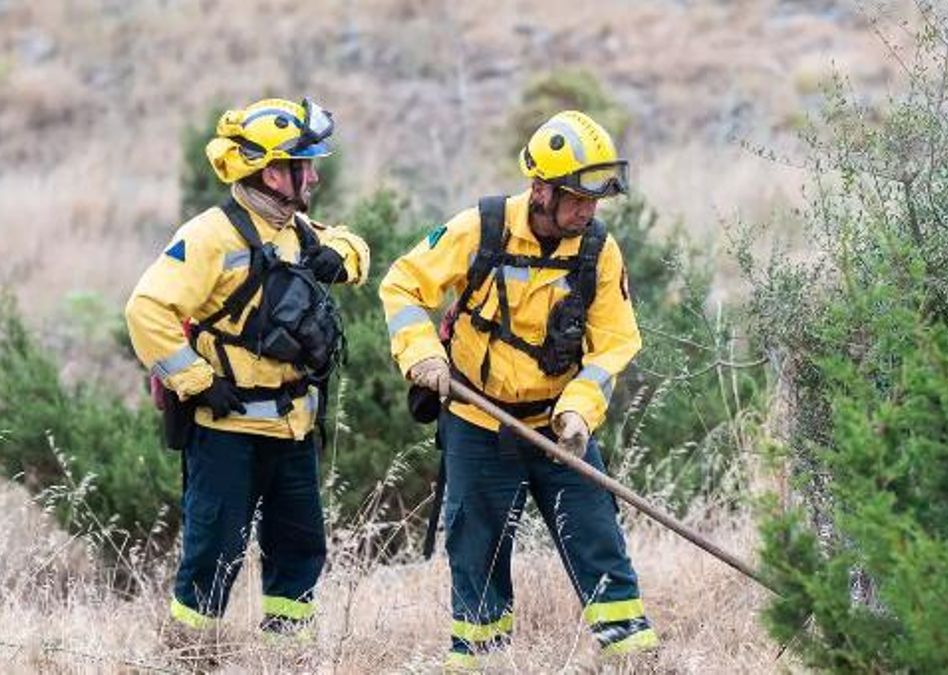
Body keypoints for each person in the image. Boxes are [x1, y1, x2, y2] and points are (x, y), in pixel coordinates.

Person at [379, 110, 658, 668]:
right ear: (540, 190)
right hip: (478, 424)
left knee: (598, 538)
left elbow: (615, 343)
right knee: (476, 554)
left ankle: (634, 659)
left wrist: (580, 410)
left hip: (557, 428)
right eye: (577, 198)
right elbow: (402, 284)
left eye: (595, 199)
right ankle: (482, 660)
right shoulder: (479, 229)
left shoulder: (598, 250)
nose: (588, 209)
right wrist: (424, 356)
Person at [125, 97, 369, 641]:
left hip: (292, 428)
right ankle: (190, 652)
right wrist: (196, 381)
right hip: (226, 429)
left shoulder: (295, 227)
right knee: (214, 549)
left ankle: (286, 652)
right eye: (304, 165)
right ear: (270, 171)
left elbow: (353, 244)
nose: (314, 175)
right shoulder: (211, 234)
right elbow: (146, 308)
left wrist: (343, 255)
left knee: (301, 546)